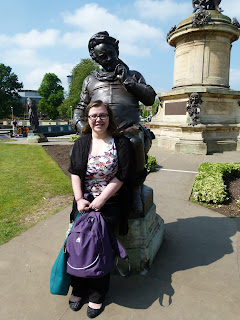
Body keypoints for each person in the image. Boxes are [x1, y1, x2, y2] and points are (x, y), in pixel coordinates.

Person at [72, 31, 156, 215]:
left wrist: (128, 82)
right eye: (103, 56)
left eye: (111, 53)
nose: (109, 58)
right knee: (77, 151)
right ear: (95, 58)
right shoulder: (90, 80)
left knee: (134, 142)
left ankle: (135, 188)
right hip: (100, 131)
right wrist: (81, 126)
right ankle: (83, 195)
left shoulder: (133, 75)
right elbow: (80, 107)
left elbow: (150, 98)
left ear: (117, 49)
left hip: (128, 129)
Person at [68, 100, 134, 318]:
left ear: (109, 117)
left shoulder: (121, 143)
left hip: (111, 201)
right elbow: (75, 172)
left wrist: (102, 200)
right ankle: (78, 287)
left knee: (99, 243)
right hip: (84, 200)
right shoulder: (81, 143)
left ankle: (98, 293)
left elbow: (122, 175)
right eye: (94, 115)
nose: (98, 119)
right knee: (78, 243)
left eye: (103, 115)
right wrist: (79, 200)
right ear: (88, 119)